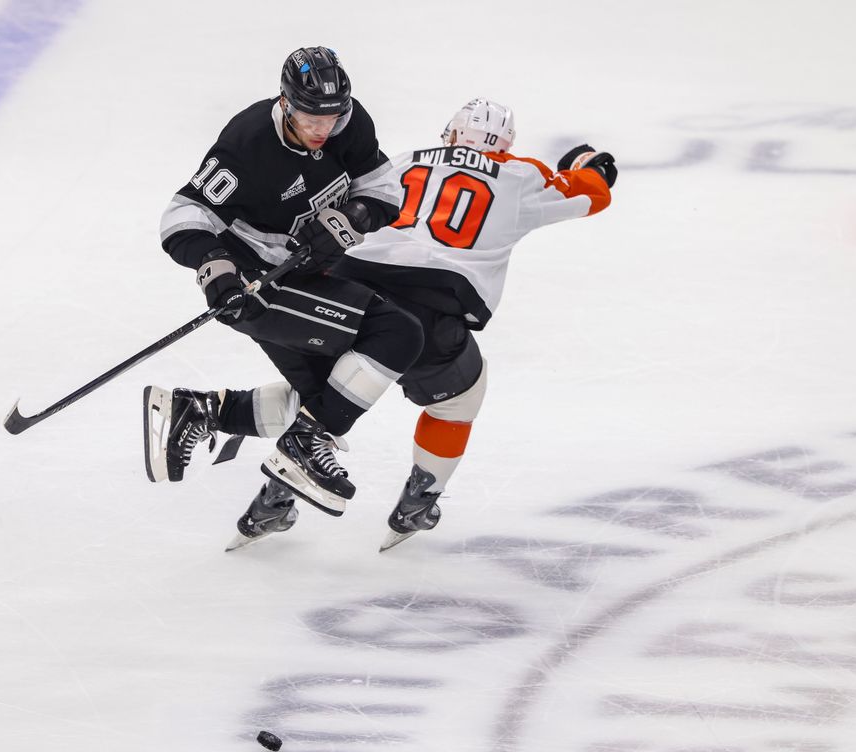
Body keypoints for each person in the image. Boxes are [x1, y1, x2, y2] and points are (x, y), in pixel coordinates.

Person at [150, 96, 617, 552]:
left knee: (333, 391)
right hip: (436, 311)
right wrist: (590, 163)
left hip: (353, 286)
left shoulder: (402, 159)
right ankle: (419, 500)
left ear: (452, 133)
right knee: (458, 400)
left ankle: (251, 465)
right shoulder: (521, 176)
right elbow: (593, 194)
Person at [148, 46, 422, 546]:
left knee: (330, 395)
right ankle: (297, 452)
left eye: (333, 114)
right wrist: (217, 270)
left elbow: (384, 190)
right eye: (310, 115)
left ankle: (201, 415)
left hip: (307, 275)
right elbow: (181, 216)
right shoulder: (247, 145)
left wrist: (352, 219)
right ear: (285, 101)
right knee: (398, 332)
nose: (323, 127)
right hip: (257, 285)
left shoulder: (350, 123)